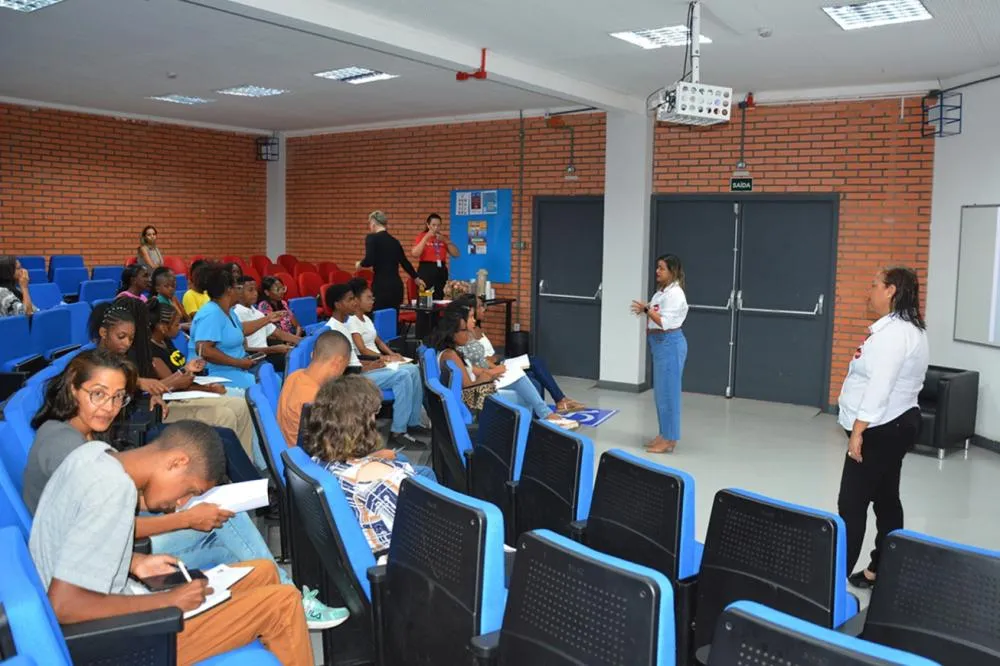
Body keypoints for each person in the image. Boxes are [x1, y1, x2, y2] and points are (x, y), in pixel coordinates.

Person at [28, 421, 316, 665]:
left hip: (118, 604)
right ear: (178, 461)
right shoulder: (112, 489)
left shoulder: (95, 456)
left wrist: (133, 561)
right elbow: (63, 605)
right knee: (283, 603)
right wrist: (167, 600)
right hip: (117, 639)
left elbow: (73, 536)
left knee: (264, 571)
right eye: (190, 490)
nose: (181, 503)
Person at [837, 267, 928, 589]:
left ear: (891, 291)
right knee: (887, 498)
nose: (869, 292)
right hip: (895, 424)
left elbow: (880, 386)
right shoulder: (903, 329)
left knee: (852, 503)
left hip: (882, 427)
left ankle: (834, 583)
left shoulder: (894, 335)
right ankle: (884, 569)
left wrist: (859, 431)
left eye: (874, 285)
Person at [303, 375, 426, 556]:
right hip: (397, 564)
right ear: (363, 422)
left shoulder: (316, 462)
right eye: (374, 414)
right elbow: (424, 537)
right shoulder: (386, 481)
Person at [431, 307, 578, 430]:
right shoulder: (450, 355)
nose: (467, 333)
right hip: (475, 399)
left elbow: (469, 374)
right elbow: (468, 387)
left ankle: (542, 419)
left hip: (476, 392)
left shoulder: (452, 352)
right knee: (524, 397)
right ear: (452, 334)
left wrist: (488, 374)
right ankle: (541, 420)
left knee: (519, 380)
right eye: (463, 331)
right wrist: (486, 377)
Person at [325, 283, 426, 447]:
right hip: (352, 378)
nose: (355, 303)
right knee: (403, 376)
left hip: (360, 370)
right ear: (337, 305)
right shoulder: (332, 329)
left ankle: (412, 422)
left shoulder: (345, 324)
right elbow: (340, 366)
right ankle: (398, 431)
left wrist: (373, 363)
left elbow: (353, 356)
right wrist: (370, 365)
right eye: (350, 300)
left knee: (413, 370)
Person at [451, 294, 585, 413]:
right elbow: (474, 367)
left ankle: (554, 404)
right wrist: (493, 367)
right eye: (480, 307)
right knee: (535, 369)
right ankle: (555, 404)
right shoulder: (463, 337)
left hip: (496, 363)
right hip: (493, 368)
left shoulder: (476, 328)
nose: (484, 309)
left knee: (536, 366)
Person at [631, 254, 688, 454]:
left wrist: (646, 309)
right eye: (657, 267)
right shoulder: (661, 293)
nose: (657, 271)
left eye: (662, 268)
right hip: (659, 345)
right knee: (661, 394)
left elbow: (666, 322)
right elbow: (655, 312)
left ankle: (670, 439)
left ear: (672, 271)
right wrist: (646, 310)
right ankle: (664, 433)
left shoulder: (676, 294)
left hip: (669, 344)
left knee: (669, 393)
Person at [192, 264, 281, 390]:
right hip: (217, 373)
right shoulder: (211, 314)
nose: (240, 291)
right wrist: (239, 363)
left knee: (273, 379)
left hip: (238, 367)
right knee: (264, 389)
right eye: (237, 288)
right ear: (229, 290)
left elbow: (240, 330)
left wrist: (267, 319)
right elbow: (205, 350)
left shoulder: (229, 310)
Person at [277, 329, 352, 445]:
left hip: (291, 451)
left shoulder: (294, 375)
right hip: (308, 459)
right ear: (338, 362)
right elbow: (331, 447)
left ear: (313, 355)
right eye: (344, 367)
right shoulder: (315, 398)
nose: (342, 373)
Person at [356, 210, 425, 311]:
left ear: (374, 223)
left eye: (370, 224)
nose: (370, 226)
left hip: (381, 286)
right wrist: (416, 278)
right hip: (396, 286)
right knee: (393, 320)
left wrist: (360, 264)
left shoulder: (372, 238)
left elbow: (369, 260)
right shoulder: (394, 241)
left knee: (380, 318)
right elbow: (404, 262)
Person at [234, 276, 298, 372]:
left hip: (266, 353)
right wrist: (273, 349)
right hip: (253, 358)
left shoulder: (256, 312)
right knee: (295, 360)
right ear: (238, 292)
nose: (255, 293)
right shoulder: (236, 313)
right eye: (250, 290)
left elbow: (278, 333)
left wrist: (302, 340)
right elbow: (244, 349)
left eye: (255, 290)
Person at [410, 213, 458, 299]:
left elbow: (456, 254)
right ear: (428, 225)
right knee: (425, 296)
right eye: (433, 225)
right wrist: (425, 238)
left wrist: (446, 241)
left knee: (439, 296)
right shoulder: (421, 236)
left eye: (439, 225)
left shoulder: (443, 237)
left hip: (441, 270)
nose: (436, 228)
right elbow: (415, 254)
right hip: (426, 269)